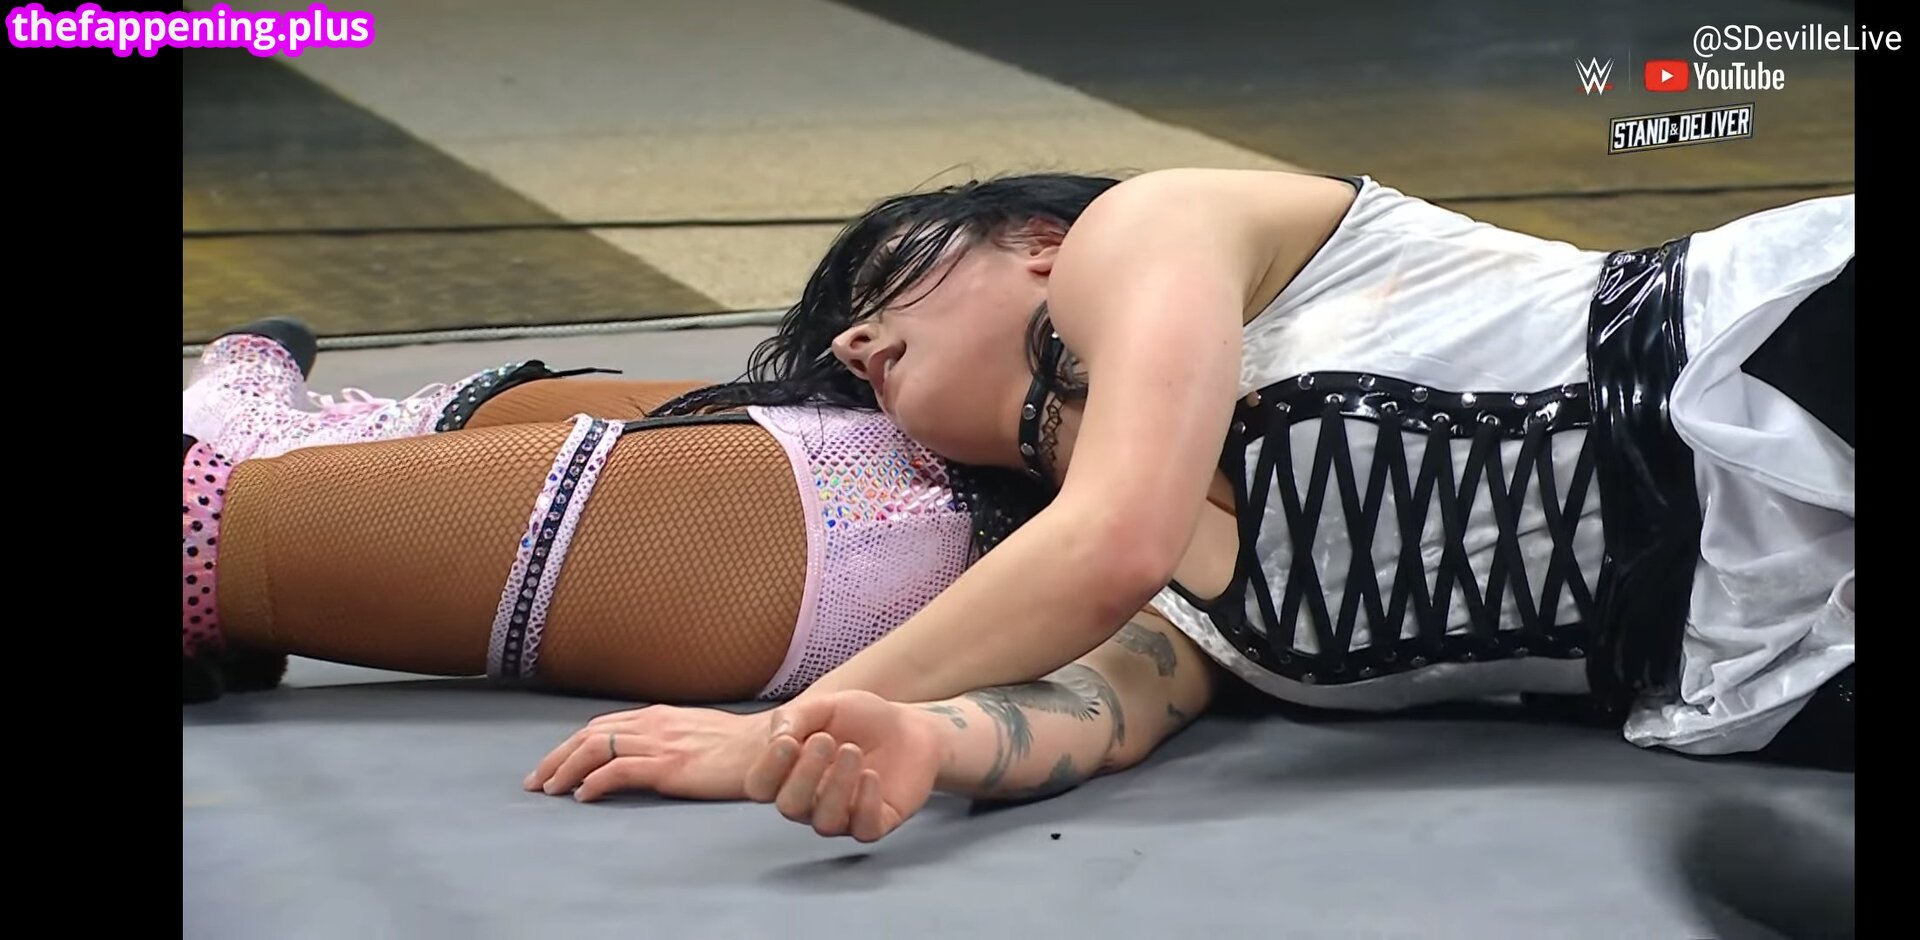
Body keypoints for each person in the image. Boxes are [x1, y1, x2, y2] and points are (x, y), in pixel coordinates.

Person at [522, 168, 1854, 837]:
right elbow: (1088, 712)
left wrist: (774, 729)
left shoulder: (1151, 228)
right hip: (1764, 661)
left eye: (882, 286)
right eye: (846, 345)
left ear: (1036, 241)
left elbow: (1115, 535)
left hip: (1773, 354)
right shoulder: (1149, 599)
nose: (856, 342)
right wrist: (914, 742)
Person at [180, 318, 1031, 717]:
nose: (855, 333)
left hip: (885, 535)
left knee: (871, 433)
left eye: (906, 275)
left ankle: (264, 450)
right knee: (855, 409)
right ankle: (278, 439)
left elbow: (1097, 542)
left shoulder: (1110, 263)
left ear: (1039, 246)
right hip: (907, 542)